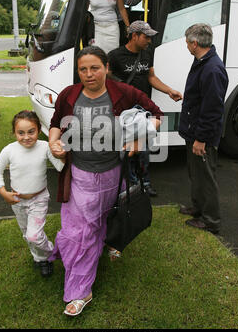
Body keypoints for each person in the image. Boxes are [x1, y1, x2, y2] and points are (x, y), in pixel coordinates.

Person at [48, 46, 163, 316]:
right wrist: (54, 142)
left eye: (95, 68)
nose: (89, 74)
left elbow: (157, 116)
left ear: (107, 68)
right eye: (83, 69)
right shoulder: (69, 95)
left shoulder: (122, 92)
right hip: (80, 176)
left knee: (102, 222)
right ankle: (80, 291)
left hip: (113, 175)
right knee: (80, 233)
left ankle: (102, 248)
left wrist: (137, 141)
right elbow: (55, 123)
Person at [108, 20, 183, 197]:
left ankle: (145, 182)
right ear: (134, 36)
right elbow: (107, 79)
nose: (149, 41)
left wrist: (169, 90)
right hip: (124, 112)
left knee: (144, 148)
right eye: (146, 37)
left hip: (143, 110)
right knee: (126, 148)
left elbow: (151, 78)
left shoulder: (147, 53)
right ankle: (131, 183)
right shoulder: (115, 55)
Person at [0, 110, 65, 277]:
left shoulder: (44, 147)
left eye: (31, 131)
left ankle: (52, 253)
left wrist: (62, 154)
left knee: (34, 236)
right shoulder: (9, 150)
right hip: (17, 200)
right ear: (14, 132)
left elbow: (60, 167)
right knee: (27, 234)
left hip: (39, 198)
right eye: (21, 133)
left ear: (39, 130)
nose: (26, 137)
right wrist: (4, 193)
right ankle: (40, 258)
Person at [178, 23, 229, 234]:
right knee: (196, 173)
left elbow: (212, 109)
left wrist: (201, 139)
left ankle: (210, 221)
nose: (186, 46)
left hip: (203, 135)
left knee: (206, 177)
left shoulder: (212, 68)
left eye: (187, 42)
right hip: (195, 130)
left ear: (195, 43)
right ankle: (198, 209)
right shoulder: (202, 61)